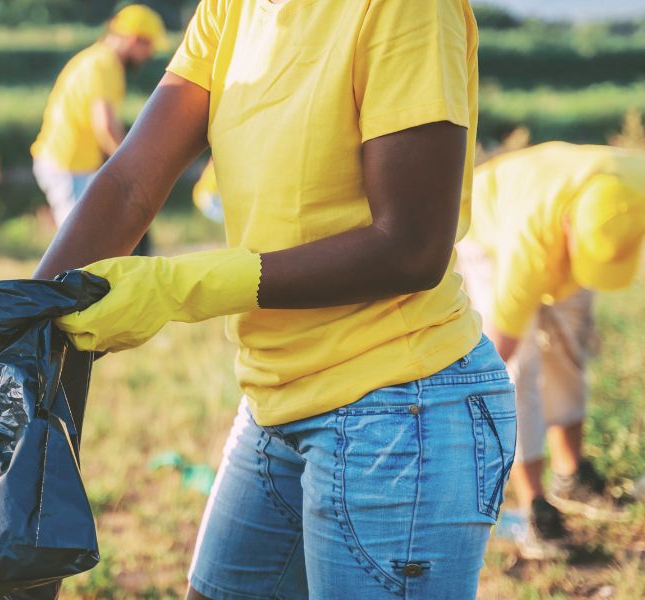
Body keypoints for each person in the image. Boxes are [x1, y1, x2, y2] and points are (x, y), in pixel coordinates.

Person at [34, 0, 514, 597]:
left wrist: (181, 286)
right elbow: (133, 177)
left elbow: (412, 247)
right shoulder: (229, 9)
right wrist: (15, 324)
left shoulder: (403, 9)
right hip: (274, 398)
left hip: (398, 407)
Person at [458, 141, 645, 559]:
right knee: (518, 373)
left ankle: (571, 476)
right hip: (493, 223)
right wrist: (460, 398)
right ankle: (534, 508)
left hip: (566, 206)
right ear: (569, 232)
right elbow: (495, 359)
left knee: (568, 351)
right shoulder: (528, 246)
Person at [31, 4, 164, 230]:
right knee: (76, 242)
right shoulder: (103, 65)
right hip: (67, 164)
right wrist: (130, 169)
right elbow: (105, 124)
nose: (148, 55)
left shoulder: (99, 59)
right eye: (148, 46)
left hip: (76, 163)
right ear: (134, 39)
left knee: (88, 236)